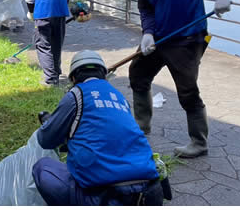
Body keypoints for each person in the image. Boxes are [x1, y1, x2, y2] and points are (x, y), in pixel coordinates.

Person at [127, 0, 234, 158]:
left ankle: (199, 142)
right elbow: (146, 9)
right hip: (159, 39)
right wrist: (147, 33)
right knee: (138, 74)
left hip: (187, 39)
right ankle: (141, 129)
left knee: (187, 91)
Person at [32, 50, 164, 206]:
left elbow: (45, 140)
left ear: (74, 78)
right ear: (103, 74)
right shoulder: (119, 97)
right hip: (149, 192)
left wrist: (54, 125)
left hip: (104, 197)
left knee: (43, 168)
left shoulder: (76, 94)